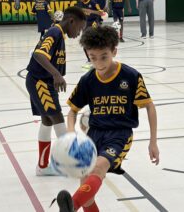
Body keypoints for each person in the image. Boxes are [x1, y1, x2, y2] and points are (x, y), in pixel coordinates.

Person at [52, 26, 160, 212]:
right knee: (87, 191)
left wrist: (153, 142)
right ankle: (78, 203)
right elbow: (72, 111)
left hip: (119, 135)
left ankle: (72, 206)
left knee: (98, 169)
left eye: (104, 56)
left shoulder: (131, 76)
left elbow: (149, 106)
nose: (99, 63)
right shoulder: (88, 80)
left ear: (114, 51)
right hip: (94, 135)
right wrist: (71, 136)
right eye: (93, 58)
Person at [26, 6, 86, 176]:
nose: (79, 33)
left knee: (47, 121)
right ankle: (73, 165)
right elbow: (39, 54)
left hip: (41, 82)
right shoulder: (55, 32)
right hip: (40, 82)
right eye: (79, 28)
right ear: (71, 21)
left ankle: (43, 167)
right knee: (58, 119)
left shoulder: (59, 34)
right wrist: (56, 74)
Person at [76, 0, 104, 70]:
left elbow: (101, 13)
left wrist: (89, 10)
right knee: (84, 43)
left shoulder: (93, 2)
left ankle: (95, 61)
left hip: (93, 24)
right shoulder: (81, 2)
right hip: (85, 24)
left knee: (92, 43)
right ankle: (90, 60)